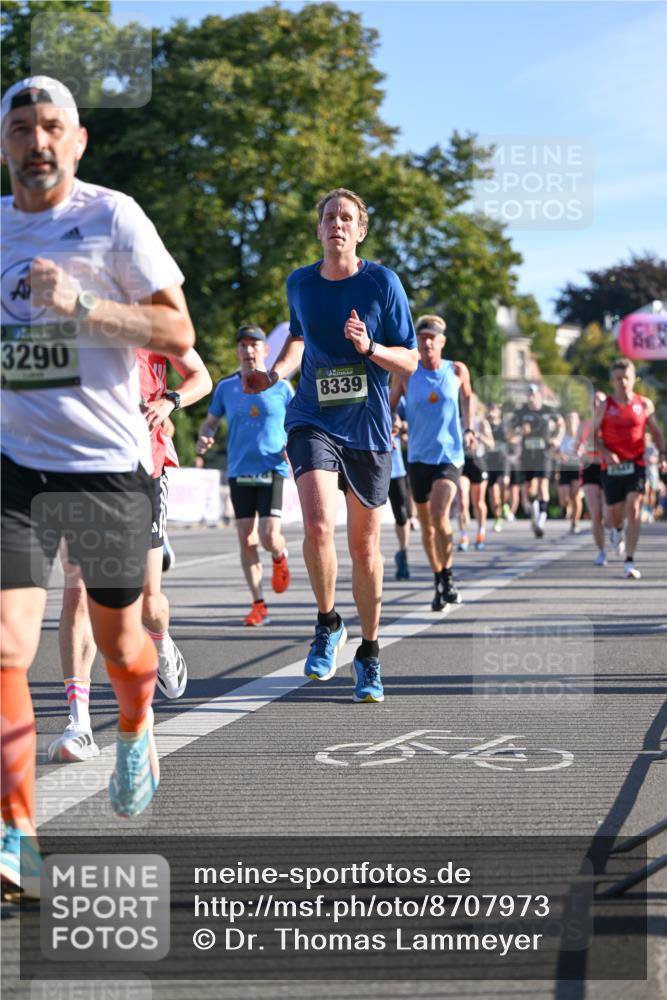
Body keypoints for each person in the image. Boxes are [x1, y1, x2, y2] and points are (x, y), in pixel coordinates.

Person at [0, 76, 196, 894]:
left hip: (106, 468)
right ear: (4, 144)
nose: (37, 141)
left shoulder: (115, 217)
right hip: (13, 467)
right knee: (7, 646)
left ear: (77, 142)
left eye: (52, 127)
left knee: (121, 644)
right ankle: (18, 836)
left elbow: (179, 332)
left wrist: (85, 307)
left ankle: (135, 723)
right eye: (21, 128)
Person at [244, 188, 417, 703]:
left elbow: (408, 361)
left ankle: (368, 652)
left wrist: (370, 348)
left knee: (364, 548)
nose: (336, 224)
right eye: (328, 217)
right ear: (318, 230)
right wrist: (273, 374)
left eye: (346, 217)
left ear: (360, 230)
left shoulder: (382, 282)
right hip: (312, 417)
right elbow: (298, 339)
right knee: (318, 523)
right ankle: (326, 622)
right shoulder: (300, 282)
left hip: (367, 427)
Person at [47, 345, 212, 763]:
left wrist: (169, 401)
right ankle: (79, 725)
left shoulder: (153, 314)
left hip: (146, 467)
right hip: (83, 466)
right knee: (78, 591)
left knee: (147, 601)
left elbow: (200, 377)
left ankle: (160, 641)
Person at [197, 325, 293, 625]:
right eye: (243, 345)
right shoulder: (226, 387)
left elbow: (298, 422)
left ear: (265, 350)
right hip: (239, 469)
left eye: (255, 345)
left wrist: (293, 444)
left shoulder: (282, 387)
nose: (249, 350)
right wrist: (205, 436)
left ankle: (279, 555)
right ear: (237, 351)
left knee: (267, 536)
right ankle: (258, 603)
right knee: (245, 538)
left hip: (272, 468)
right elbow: (210, 422)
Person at [391, 314, 473, 611]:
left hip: (449, 456)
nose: (426, 343)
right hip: (417, 458)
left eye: (431, 338)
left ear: (442, 342)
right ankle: (440, 579)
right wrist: (395, 422)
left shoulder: (457, 370)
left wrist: (470, 428)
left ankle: (448, 576)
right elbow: (391, 408)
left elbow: (468, 398)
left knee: (440, 515)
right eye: (422, 337)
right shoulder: (406, 374)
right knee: (426, 529)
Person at [594, 359, 665, 580]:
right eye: (617, 378)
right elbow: (593, 437)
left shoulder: (644, 404)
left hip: (636, 463)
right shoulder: (606, 406)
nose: (622, 382)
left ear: (634, 379)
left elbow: (656, 433)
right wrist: (605, 452)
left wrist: (662, 455)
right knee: (613, 515)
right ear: (611, 381)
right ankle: (616, 531)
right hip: (612, 466)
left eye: (626, 377)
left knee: (634, 508)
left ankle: (630, 561)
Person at [510, 384, 564, 538]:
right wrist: (519, 431)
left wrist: (557, 439)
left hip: (544, 453)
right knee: (530, 490)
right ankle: (535, 515)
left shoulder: (548, 410)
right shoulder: (521, 412)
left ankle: (541, 520)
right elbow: (509, 430)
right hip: (528, 454)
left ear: (539, 395)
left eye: (533, 394)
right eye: (529, 394)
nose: (531, 397)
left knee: (543, 486)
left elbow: (561, 423)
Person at [458, 398, 493, 551]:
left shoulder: (482, 423)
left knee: (478, 502)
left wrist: (479, 437)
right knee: (462, 500)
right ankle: (464, 535)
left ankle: (481, 531)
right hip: (462, 463)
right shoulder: (458, 421)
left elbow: (492, 445)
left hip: (478, 462)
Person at [576, 392, 607, 565]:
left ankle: (615, 530)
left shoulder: (610, 424)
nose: (596, 404)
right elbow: (576, 446)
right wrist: (578, 452)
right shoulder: (584, 425)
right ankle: (601, 551)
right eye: (594, 401)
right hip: (590, 469)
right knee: (596, 514)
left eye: (600, 401)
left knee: (609, 514)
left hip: (607, 468)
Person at [389, 397, 412, 580]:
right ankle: (372, 555)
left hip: (395, 467)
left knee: (402, 514)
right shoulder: (361, 386)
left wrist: (401, 426)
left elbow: (412, 421)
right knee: (369, 516)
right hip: (368, 466)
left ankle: (403, 553)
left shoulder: (396, 396)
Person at [485, 402, 511, 533]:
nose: (491, 412)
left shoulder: (504, 425)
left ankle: (505, 504)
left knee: (504, 483)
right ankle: (498, 518)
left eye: (494, 409)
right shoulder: (485, 425)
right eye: (490, 409)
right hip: (489, 461)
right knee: (493, 494)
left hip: (503, 460)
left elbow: (512, 438)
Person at [556, 410, 583, 533]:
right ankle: (568, 508)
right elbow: (554, 451)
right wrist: (560, 455)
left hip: (578, 467)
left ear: (578, 421)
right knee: (565, 498)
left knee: (576, 496)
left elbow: (588, 451)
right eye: (569, 418)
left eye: (573, 418)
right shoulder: (561, 435)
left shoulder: (582, 435)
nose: (571, 421)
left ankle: (575, 522)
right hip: (565, 468)